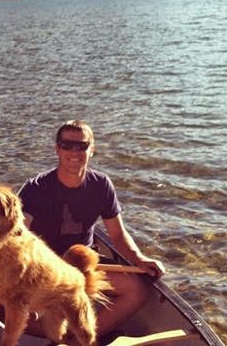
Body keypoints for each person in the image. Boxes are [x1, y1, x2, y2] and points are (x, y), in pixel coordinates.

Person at [18, 120, 165, 342]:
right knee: (10, 310)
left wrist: (139, 258)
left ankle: (78, 338)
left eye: (82, 146)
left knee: (137, 290)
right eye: (67, 145)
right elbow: (19, 237)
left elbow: (117, 235)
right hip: (46, 268)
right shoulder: (35, 188)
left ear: (92, 149)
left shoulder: (101, 184)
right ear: (57, 149)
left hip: (84, 265)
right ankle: (70, 335)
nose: (74, 152)